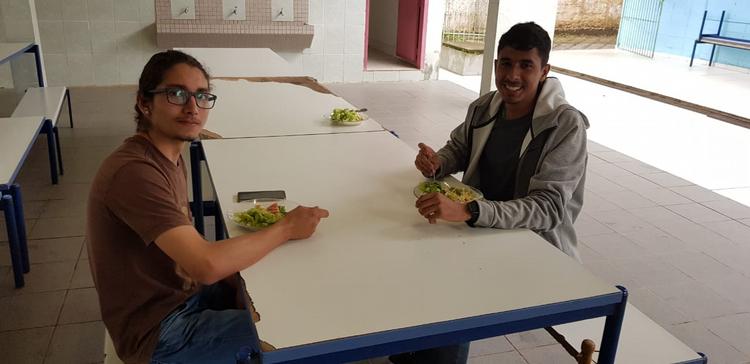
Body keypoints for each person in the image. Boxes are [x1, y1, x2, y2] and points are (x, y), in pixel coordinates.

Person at [86, 50, 329, 364]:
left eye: (202, 96)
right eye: (176, 94)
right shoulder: (135, 173)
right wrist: (286, 228)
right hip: (158, 333)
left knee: (277, 289)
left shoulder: (165, 153)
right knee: (297, 326)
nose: (193, 108)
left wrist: (236, 284)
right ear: (144, 103)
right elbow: (205, 265)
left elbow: (198, 265)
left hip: (180, 294)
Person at [396, 22, 589, 364]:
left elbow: (547, 209)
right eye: (506, 63)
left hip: (533, 246)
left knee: (456, 297)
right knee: (415, 263)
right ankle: (414, 349)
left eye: (525, 65)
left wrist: (472, 211)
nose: (512, 76)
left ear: (544, 71)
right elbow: (460, 147)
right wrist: (437, 163)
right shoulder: (486, 106)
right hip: (479, 230)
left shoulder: (565, 125)